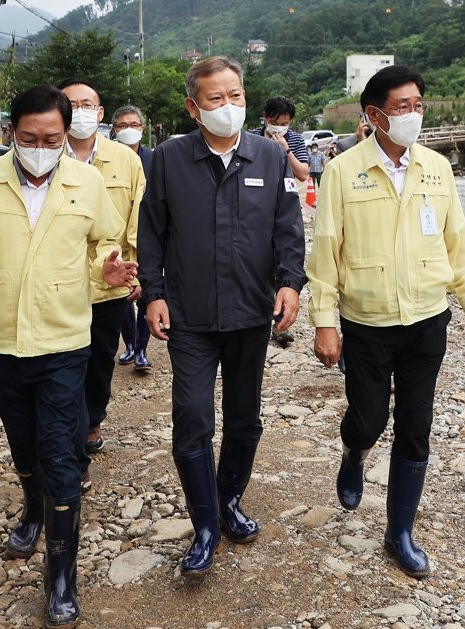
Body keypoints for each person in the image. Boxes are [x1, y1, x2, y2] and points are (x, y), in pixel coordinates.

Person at [0, 84, 136, 628]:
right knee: (22, 442)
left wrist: (109, 272)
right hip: (1, 338)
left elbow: (105, 246)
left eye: (51, 137)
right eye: (28, 137)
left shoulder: (86, 182)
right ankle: (31, 506)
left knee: (61, 450)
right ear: (10, 135)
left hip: (65, 338)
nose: (40, 146)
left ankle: (60, 575)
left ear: (65, 135)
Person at [306, 65, 465, 579]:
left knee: (416, 427)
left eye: (418, 105)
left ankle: (399, 532)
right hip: (366, 321)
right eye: (402, 106)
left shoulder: (436, 168)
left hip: (428, 319)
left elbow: (456, 243)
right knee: (367, 420)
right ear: (374, 114)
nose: (414, 114)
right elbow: (325, 253)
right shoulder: (342, 171)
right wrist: (324, 321)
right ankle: (353, 453)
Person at [138, 56, 306, 578]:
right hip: (188, 315)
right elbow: (152, 233)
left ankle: (229, 499)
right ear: (194, 107)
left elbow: (287, 230)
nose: (228, 107)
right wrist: (154, 293)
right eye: (216, 98)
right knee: (192, 415)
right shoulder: (167, 159)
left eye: (236, 96)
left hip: (251, 313)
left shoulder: (269, 157)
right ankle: (205, 524)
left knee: (243, 415)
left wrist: (289, 284)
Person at [58, 79, 147, 458]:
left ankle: (92, 419)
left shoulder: (125, 159)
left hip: (109, 283)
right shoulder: (45, 155)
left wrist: (139, 272)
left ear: (100, 112)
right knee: (61, 361)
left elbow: (139, 218)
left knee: (99, 360)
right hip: (57, 283)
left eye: (88, 104)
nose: (80, 111)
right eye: (71, 104)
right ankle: (67, 432)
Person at [110, 104, 154, 372]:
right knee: (124, 293)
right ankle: (129, 344)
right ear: (114, 130)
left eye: (134, 125)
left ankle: (142, 350)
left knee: (147, 291)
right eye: (123, 126)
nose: (129, 130)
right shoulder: (108, 159)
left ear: (142, 128)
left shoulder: (156, 159)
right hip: (117, 238)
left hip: (148, 237)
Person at [251, 96, 310, 182]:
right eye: (273, 123)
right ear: (265, 117)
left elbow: (303, 175)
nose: (278, 128)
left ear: (290, 121)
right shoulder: (252, 137)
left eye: (283, 124)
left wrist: (286, 150)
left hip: (284, 192)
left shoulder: (297, 139)